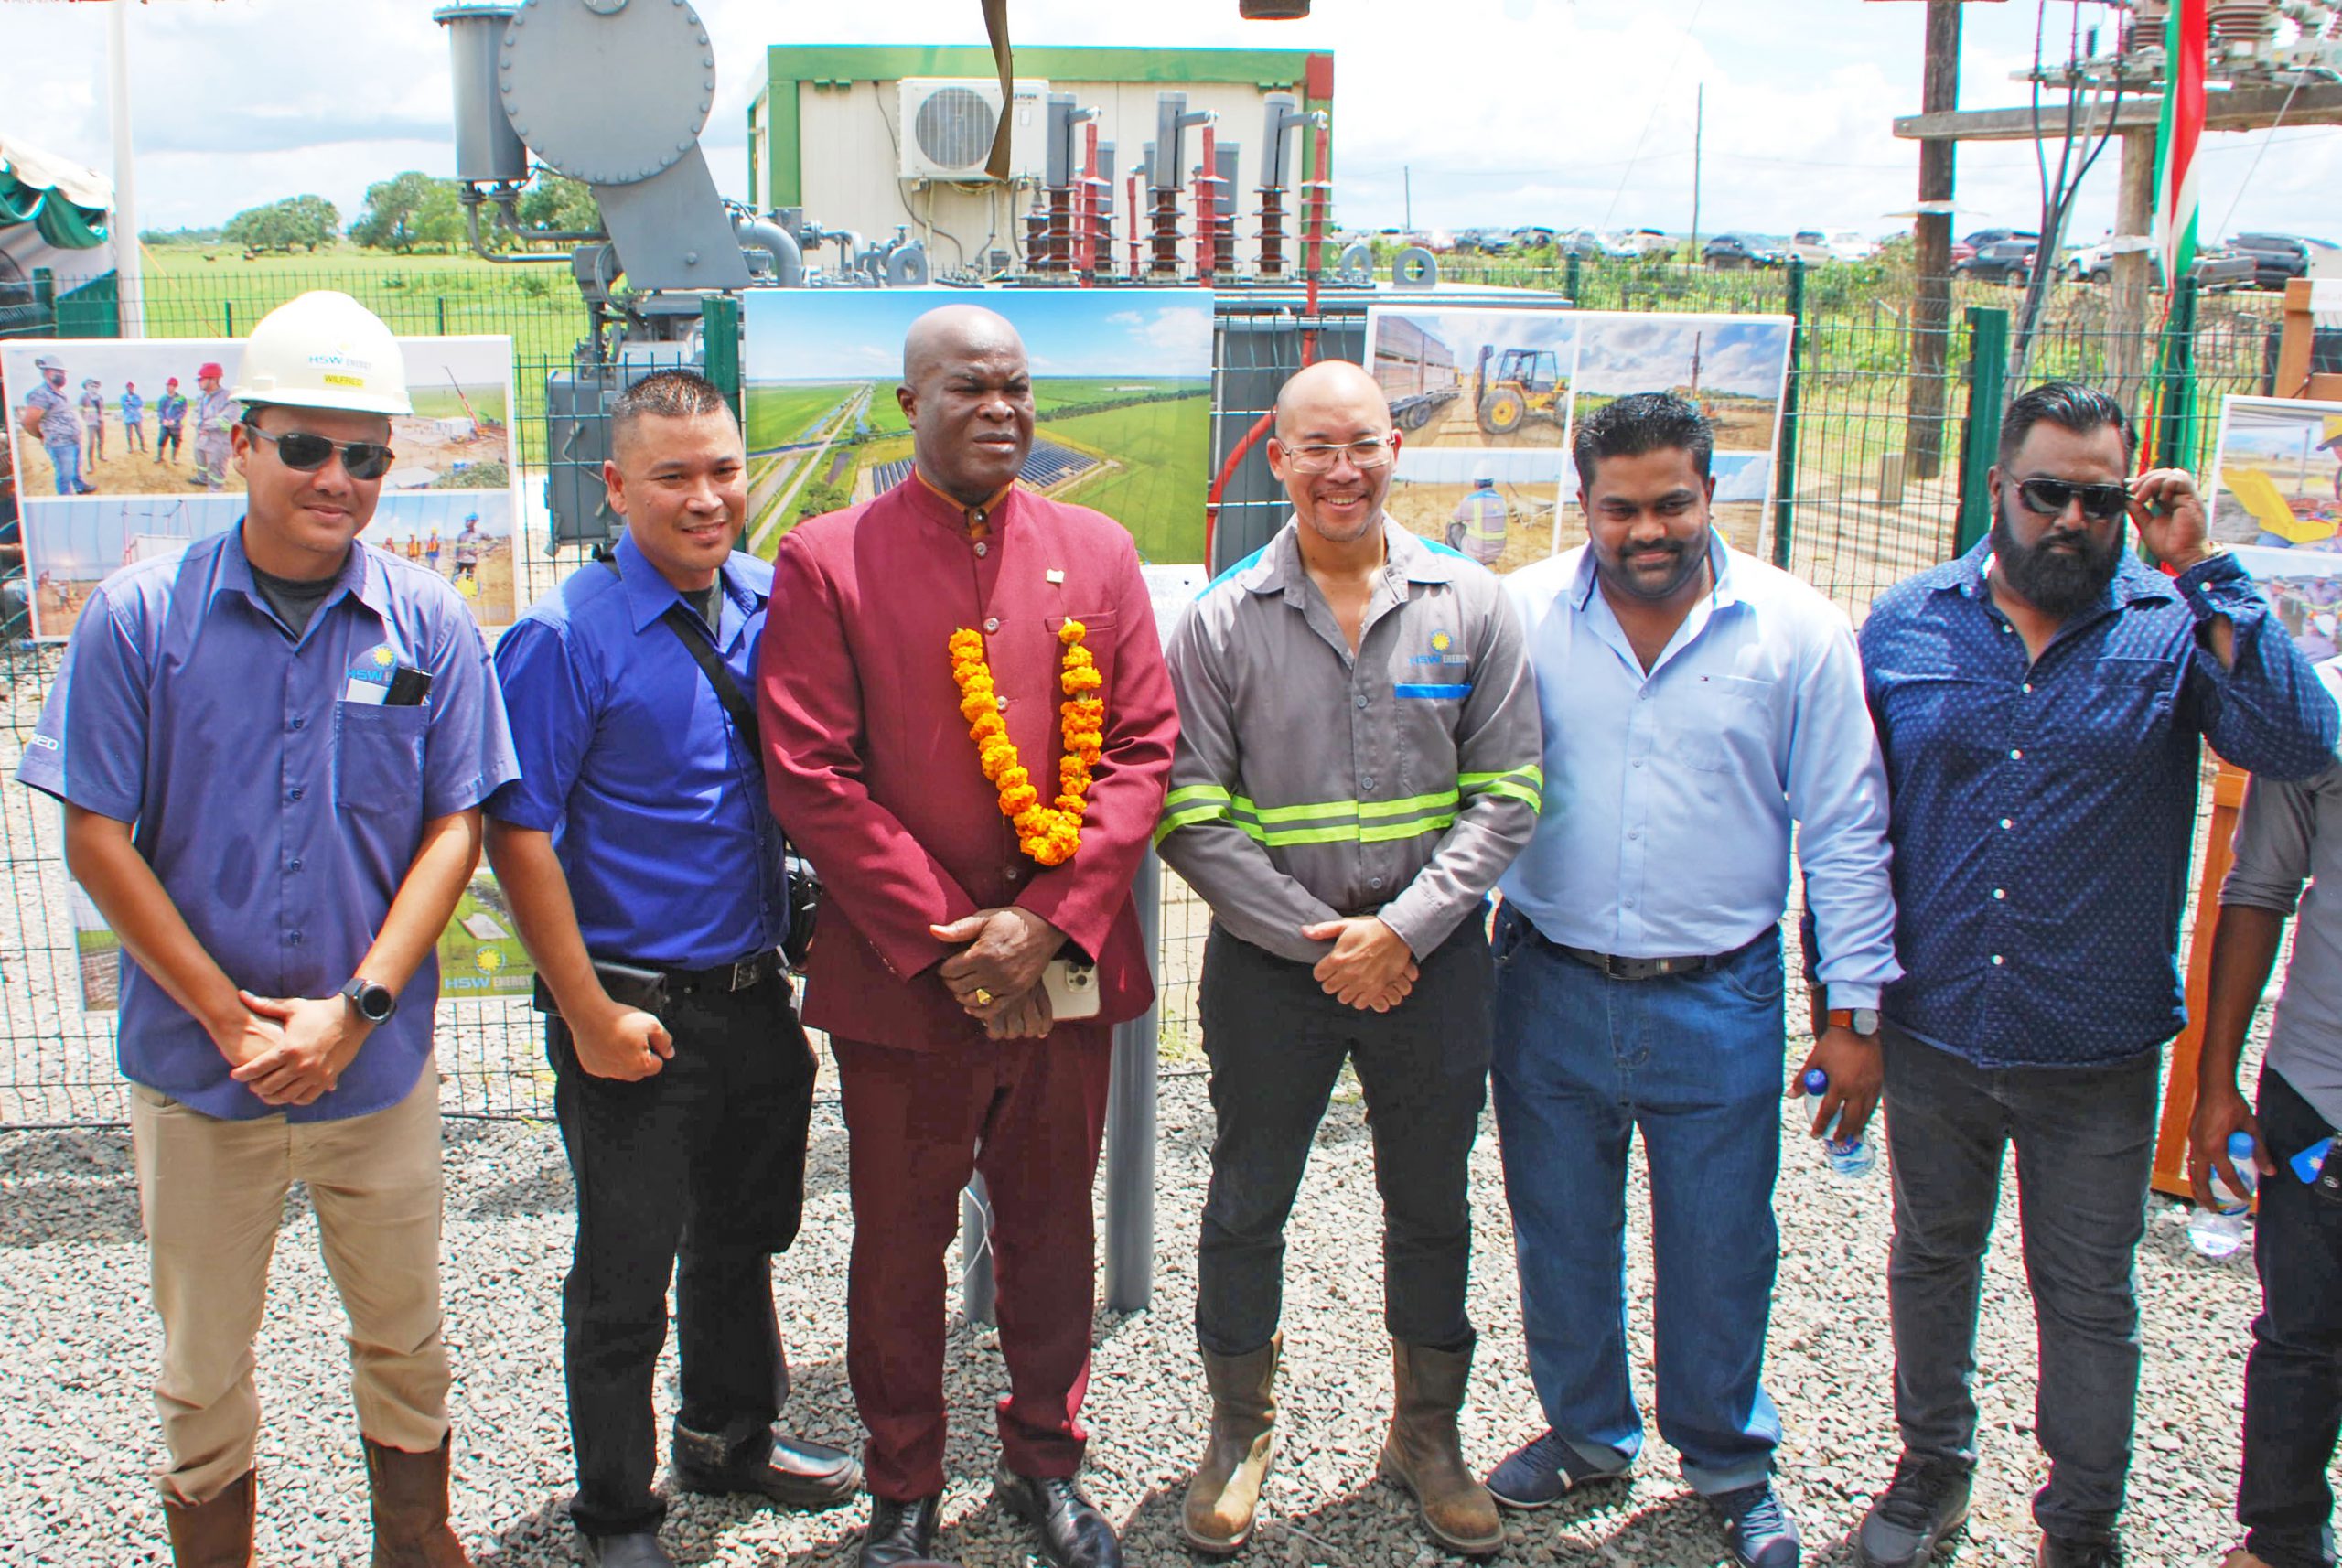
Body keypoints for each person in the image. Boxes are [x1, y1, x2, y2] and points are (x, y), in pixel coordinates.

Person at [13, 289, 517, 1567]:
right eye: (304, 445)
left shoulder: (430, 626)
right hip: (200, 1075)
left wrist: (356, 1013)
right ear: (242, 443)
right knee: (200, 1367)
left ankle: (417, 1540)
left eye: (362, 454)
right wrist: (232, 1019)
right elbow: (96, 837)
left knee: (407, 1336)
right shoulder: (140, 620)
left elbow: (454, 825)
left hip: (373, 1067)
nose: (335, 478)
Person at [1851, 382, 2340, 1568]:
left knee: (2086, 1297)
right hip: (1937, 1027)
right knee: (1930, 1258)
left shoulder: (2171, 624)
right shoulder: (1909, 622)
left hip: (2097, 1046)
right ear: (1997, 490)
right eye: (2047, 493)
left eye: (2099, 497)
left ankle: (2079, 1525)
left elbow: (2299, 743)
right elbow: (1855, 829)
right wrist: (1845, 1006)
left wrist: (2204, 566)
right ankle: (1933, 1471)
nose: (2070, 519)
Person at [759, 304, 1177, 1568]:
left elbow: (1143, 750)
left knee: (1055, 1233)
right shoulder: (830, 559)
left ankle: (1046, 1461)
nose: (999, 408)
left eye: (1017, 386)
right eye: (966, 388)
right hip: (907, 984)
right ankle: (904, 1483)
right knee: (900, 1244)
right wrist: (956, 939)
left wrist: (1045, 923)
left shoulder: (1100, 552)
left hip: (1062, 967)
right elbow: (810, 771)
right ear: (908, 406)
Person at [1484, 392, 1897, 1568]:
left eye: (1672, 502)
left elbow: (1847, 830)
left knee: (1720, 1240)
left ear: (1713, 493)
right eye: (1619, 508)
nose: (1647, 530)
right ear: (1584, 504)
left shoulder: (1796, 631)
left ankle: (1725, 1456)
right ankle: (1586, 1432)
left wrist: (1852, 1011)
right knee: (1558, 1227)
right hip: (1547, 980)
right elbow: (1468, 797)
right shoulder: (1520, 617)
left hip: (1720, 994)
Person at [1156, 360, 1542, 1558]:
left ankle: (1427, 1433)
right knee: (1246, 1197)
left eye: (1364, 443)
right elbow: (1190, 811)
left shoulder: (1470, 603)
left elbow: (1510, 790)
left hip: (1430, 966)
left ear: (1395, 452)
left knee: (1430, 1201)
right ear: (1277, 456)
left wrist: (1405, 930)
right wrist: (1324, 943)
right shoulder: (1222, 622)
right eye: (1317, 446)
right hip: (1279, 972)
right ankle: (1239, 1427)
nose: (1344, 468)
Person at [486, 370, 857, 1568]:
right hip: (630, 1010)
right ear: (615, 485)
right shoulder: (562, 638)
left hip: (752, 995)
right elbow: (517, 831)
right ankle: (618, 1513)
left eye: (723, 470)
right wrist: (585, 1009)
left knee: (742, 1234)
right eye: (674, 476)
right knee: (622, 1271)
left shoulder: (768, 600)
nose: (708, 499)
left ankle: (728, 1433)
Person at [2190, 657, 2342, 1568]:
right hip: (2319, 1096)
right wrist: (2218, 1081)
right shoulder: (2313, 704)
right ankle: (2281, 1541)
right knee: (2300, 1340)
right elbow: (2258, 889)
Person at [17, 352, 93, 496]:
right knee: (65, 473)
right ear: (47, 372)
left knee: (75, 468)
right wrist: (40, 436)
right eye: (58, 372)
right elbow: (28, 422)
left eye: (63, 372)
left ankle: (80, 486)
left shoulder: (59, 393)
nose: (62, 376)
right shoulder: (40, 394)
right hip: (60, 444)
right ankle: (66, 499)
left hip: (73, 440)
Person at [1447, 470, 1510, 568]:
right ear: (1492, 483)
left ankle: (1454, 561)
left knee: (1453, 526)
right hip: (1497, 552)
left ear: (1475, 484)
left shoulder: (1472, 500)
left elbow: (1454, 518)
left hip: (1476, 553)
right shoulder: (1502, 501)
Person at [190, 362, 236, 492]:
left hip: (218, 443)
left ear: (214, 379)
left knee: (216, 469)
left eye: (202, 379)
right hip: (201, 439)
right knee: (200, 461)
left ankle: (215, 491)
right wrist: (201, 422)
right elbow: (193, 416)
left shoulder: (229, 398)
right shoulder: (201, 397)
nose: (199, 382)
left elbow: (225, 422)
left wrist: (201, 424)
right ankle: (202, 478)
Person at [156, 377, 188, 467]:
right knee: (161, 440)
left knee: (176, 442)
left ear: (175, 387)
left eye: (170, 385)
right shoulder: (163, 399)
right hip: (165, 425)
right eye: (168, 385)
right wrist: (163, 420)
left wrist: (175, 420)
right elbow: (160, 410)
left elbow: (183, 411)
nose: (168, 387)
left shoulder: (181, 398)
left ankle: (174, 458)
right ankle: (159, 457)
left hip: (176, 426)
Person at [81, 376, 106, 463]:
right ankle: (90, 463)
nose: (94, 388)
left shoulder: (100, 397)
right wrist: (86, 418)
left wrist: (101, 417)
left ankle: (101, 455)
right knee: (91, 443)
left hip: (100, 421)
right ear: (87, 387)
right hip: (91, 423)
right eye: (92, 386)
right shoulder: (83, 397)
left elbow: (102, 408)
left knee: (101, 440)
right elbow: (81, 409)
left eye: (96, 386)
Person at [453, 514, 483, 584]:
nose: (468, 523)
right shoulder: (461, 534)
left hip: (471, 561)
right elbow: (457, 548)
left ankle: (468, 592)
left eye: (471, 521)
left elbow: (491, 541)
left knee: (469, 579)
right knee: (456, 578)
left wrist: (482, 550)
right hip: (461, 560)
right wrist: (455, 558)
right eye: (467, 521)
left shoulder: (479, 534)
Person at [123, 381, 147, 456]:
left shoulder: (137, 397)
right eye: (129, 387)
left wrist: (131, 403)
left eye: (132, 387)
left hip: (137, 418)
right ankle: (130, 447)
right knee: (129, 435)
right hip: (128, 418)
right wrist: (133, 405)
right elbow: (124, 405)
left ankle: (143, 447)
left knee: (140, 433)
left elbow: (140, 404)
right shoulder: (123, 397)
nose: (130, 389)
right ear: (126, 388)